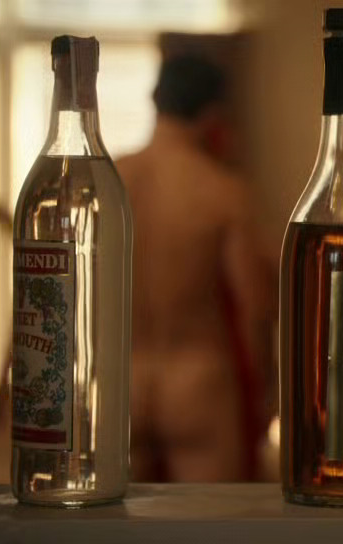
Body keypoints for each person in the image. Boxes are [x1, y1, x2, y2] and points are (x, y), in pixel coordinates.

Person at [115, 54, 274, 482]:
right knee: (210, 515)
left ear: (155, 98)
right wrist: (265, 391)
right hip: (197, 380)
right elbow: (255, 307)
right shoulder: (222, 190)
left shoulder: (109, 179)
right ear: (212, 114)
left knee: (118, 517)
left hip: (122, 378)